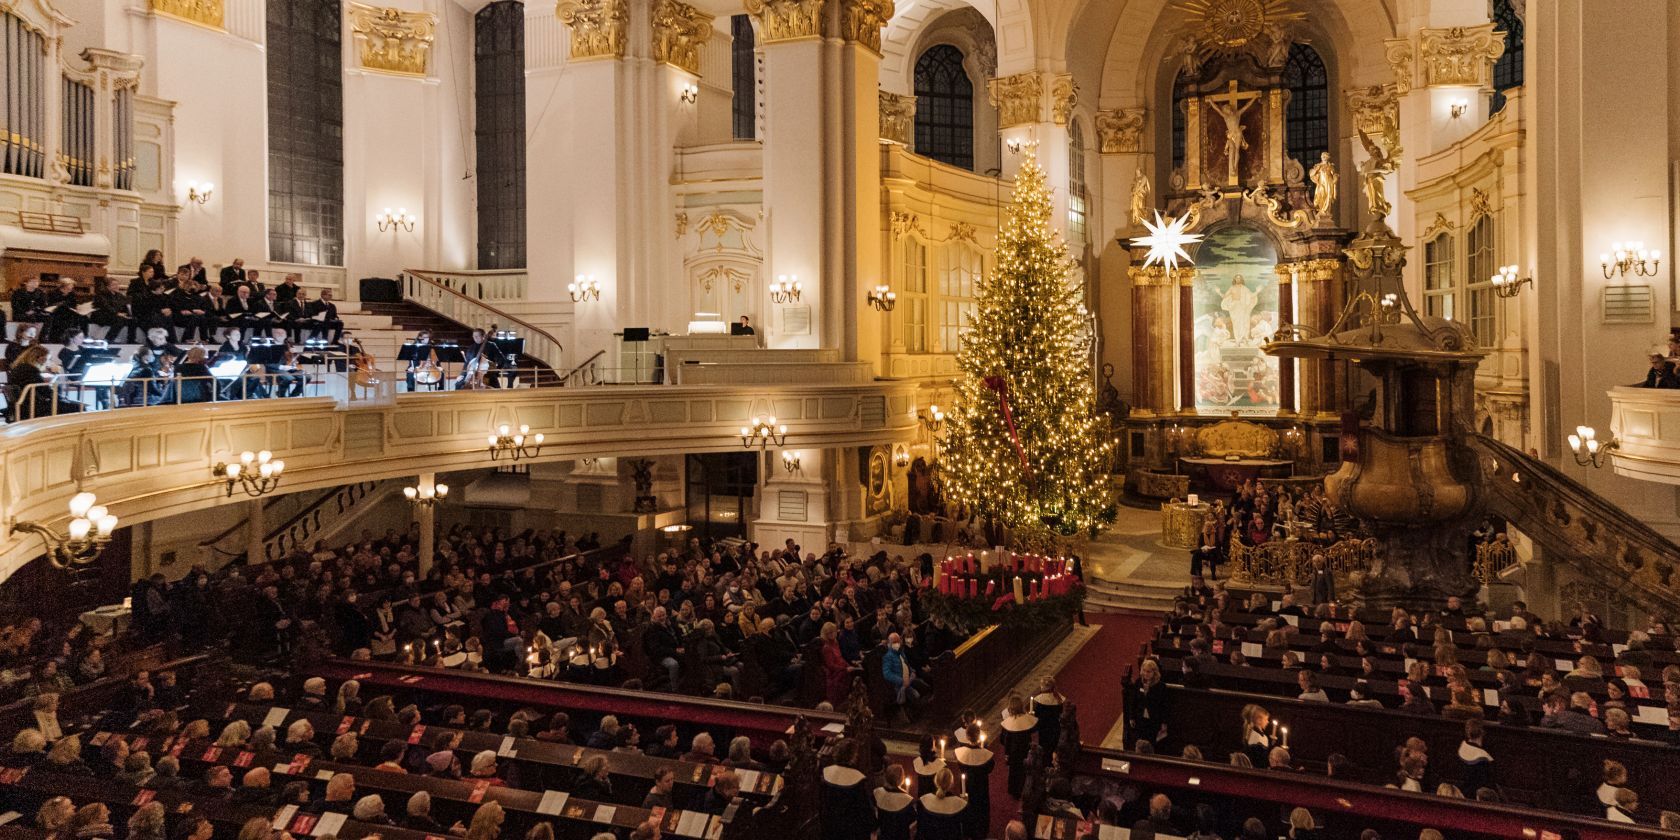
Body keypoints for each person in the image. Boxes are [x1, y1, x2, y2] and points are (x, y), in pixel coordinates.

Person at [819, 740, 873, 840]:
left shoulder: (825, 773)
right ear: (853, 756)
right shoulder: (858, 780)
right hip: (850, 830)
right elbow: (864, 809)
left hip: (829, 826)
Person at [953, 720, 995, 839]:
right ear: (978, 735)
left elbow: (961, 767)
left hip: (966, 785)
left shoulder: (961, 754)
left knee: (968, 806)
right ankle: (981, 830)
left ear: (967, 736)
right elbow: (990, 768)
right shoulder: (985, 754)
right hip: (981, 786)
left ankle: (968, 830)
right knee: (981, 807)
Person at [999, 693, 1038, 798]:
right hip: (1025, 749)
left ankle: (1014, 791)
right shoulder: (1026, 719)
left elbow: (1004, 740)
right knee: (1024, 770)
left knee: (1014, 771)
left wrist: (1006, 753)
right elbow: (1034, 728)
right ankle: (1025, 788)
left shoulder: (1008, 723)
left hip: (1013, 752)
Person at [915, 767, 967, 840]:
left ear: (936, 781)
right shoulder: (960, 803)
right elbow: (967, 828)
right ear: (951, 783)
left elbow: (920, 829)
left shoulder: (923, 801)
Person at [874, 764, 915, 840]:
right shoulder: (907, 799)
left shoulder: (878, 792)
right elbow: (912, 820)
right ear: (901, 779)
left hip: (883, 836)